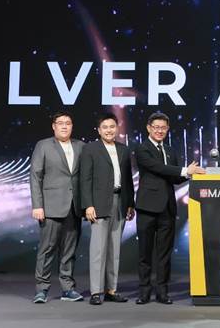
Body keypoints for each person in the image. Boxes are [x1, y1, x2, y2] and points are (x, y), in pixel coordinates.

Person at [135, 112, 206, 304]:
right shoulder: (142, 149)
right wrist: (184, 170)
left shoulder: (170, 150)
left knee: (164, 254)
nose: (160, 131)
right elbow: (156, 167)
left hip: (167, 208)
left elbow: (174, 178)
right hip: (147, 207)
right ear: (149, 128)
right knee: (145, 253)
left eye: (163, 128)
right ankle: (144, 292)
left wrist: (189, 174)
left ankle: (162, 291)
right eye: (156, 127)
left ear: (167, 129)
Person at [79, 113, 135, 305]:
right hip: (99, 203)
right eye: (105, 127)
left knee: (114, 250)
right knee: (98, 249)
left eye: (112, 126)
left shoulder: (124, 149)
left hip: (120, 202)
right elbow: (85, 179)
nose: (109, 130)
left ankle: (111, 290)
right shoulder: (90, 149)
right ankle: (96, 292)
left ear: (116, 128)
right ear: (99, 130)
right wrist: (88, 205)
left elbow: (128, 179)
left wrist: (130, 203)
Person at [30, 111, 85, 303]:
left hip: (74, 207)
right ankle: (41, 289)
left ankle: (68, 289)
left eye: (68, 123)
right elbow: (35, 176)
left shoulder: (81, 146)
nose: (64, 126)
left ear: (72, 126)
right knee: (47, 250)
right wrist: (37, 205)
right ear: (54, 126)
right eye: (60, 123)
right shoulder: (43, 145)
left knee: (69, 251)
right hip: (51, 206)